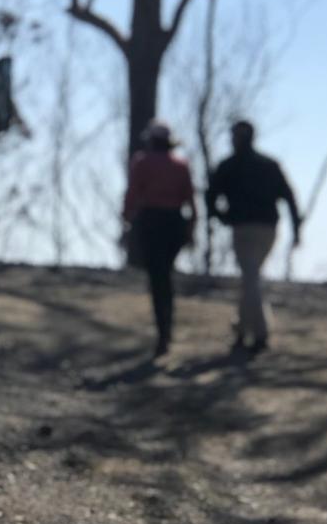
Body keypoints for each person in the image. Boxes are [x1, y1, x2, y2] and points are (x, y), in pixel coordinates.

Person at [205, 120, 301, 355]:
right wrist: (296, 229)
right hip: (265, 228)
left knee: (251, 279)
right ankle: (242, 329)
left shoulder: (229, 166)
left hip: (247, 229)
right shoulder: (268, 165)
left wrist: (219, 217)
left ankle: (259, 333)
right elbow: (289, 198)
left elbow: (210, 197)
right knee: (251, 279)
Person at [123, 120, 197, 359]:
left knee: (158, 277)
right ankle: (167, 327)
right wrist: (191, 228)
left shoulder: (142, 162)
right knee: (165, 274)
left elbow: (132, 193)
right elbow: (191, 201)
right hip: (174, 222)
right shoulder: (181, 165)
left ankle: (163, 331)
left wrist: (126, 219)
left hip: (151, 221)